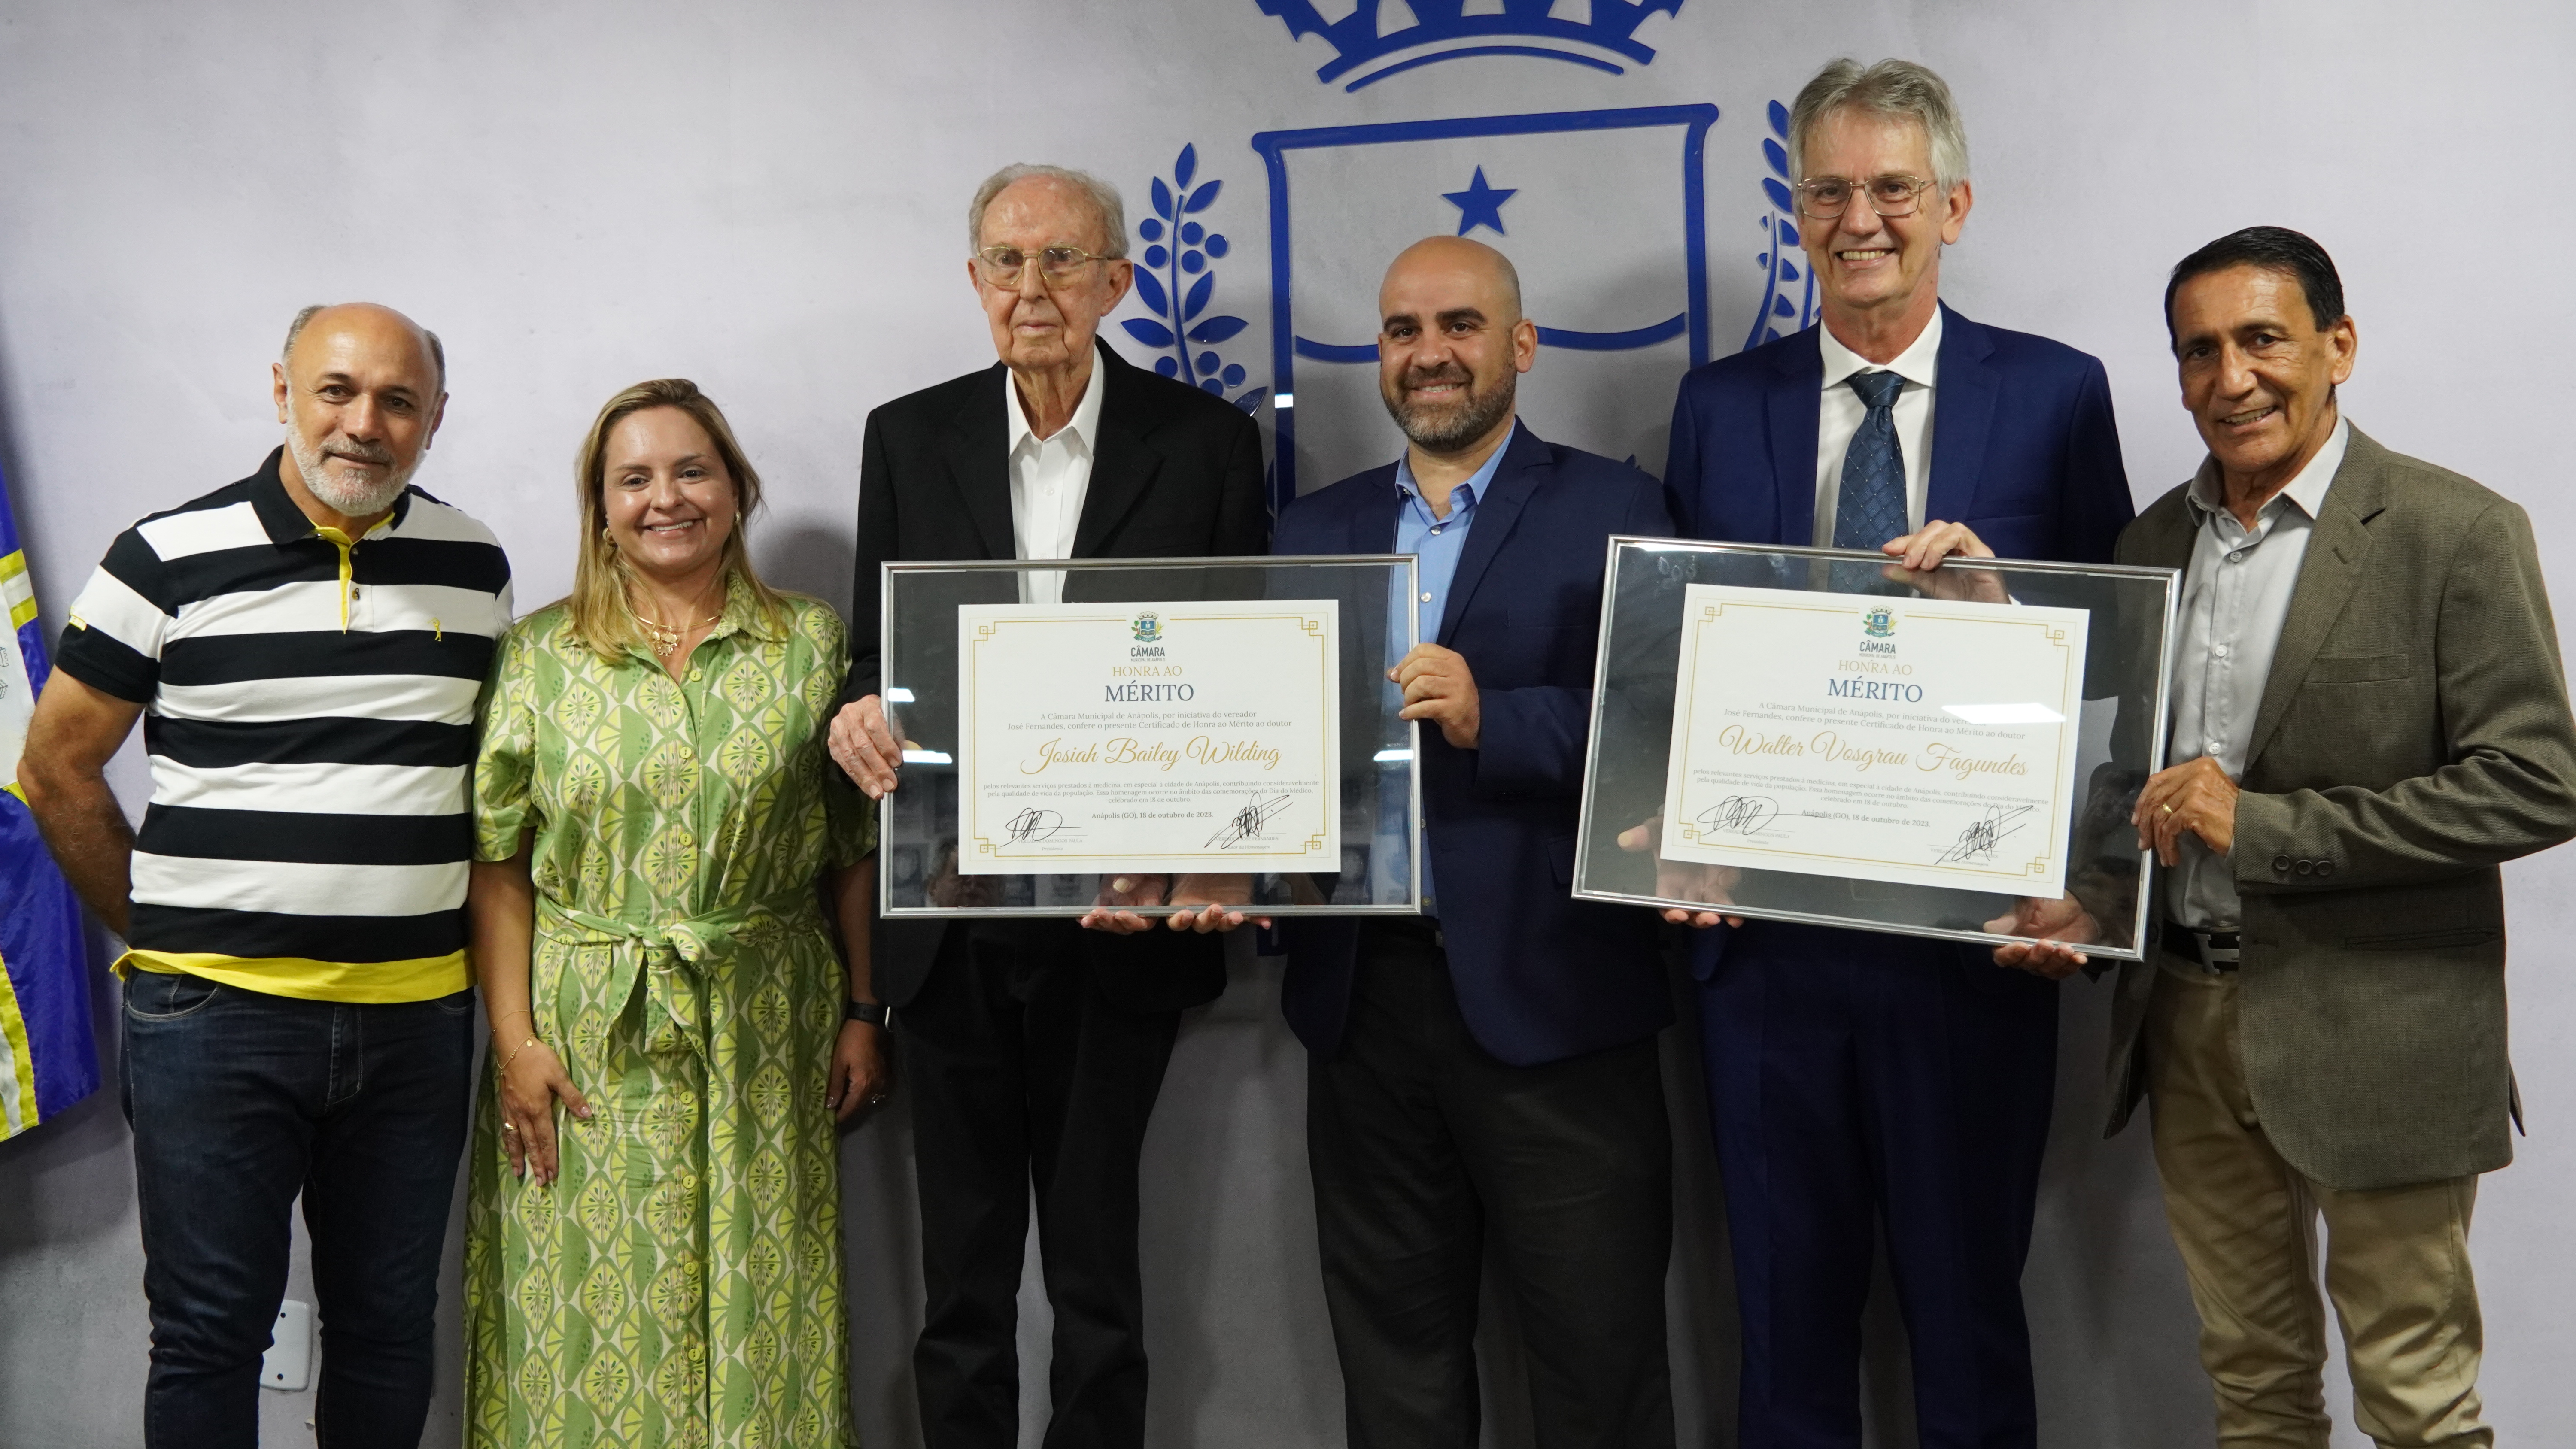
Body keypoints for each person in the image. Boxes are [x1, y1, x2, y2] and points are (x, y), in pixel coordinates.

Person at [2000, 227, 2576, 1448]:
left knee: (2417, 1402)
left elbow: (2540, 783)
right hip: (2189, 1025)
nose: (2232, 376)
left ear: (2339, 347)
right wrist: (2093, 907)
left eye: (2263, 338)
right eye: (2199, 351)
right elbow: (2125, 792)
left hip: (2386, 1031)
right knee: (2255, 1392)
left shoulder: (2452, 530)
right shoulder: (2149, 546)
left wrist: (2260, 829)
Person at [1653, 58, 2134, 1447]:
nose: (1859, 217)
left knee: (1968, 1318)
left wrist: (2005, 613)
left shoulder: (2053, 394)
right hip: (1767, 944)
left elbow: (2113, 661)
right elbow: (1679, 658)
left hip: (1972, 939)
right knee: (1783, 1328)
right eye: (1829, 188)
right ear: (1795, 209)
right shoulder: (1715, 403)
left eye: (1892, 188)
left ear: (1954, 206)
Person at [824, 163, 1267, 1449]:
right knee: (959, 1286)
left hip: (1119, 926)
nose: (1034, 289)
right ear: (975, 284)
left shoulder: (1208, 445)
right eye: (1008, 263)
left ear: (1117, 281)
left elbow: (1245, 679)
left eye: (1064, 261)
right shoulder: (907, 438)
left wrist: (1202, 852)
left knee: (1098, 1283)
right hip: (952, 924)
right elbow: (873, 656)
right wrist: (854, 715)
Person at [18, 303, 511, 1448]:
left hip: (413, 1025)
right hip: (211, 1026)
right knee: (208, 1332)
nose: (364, 424)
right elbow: (55, 769)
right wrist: (166, 929)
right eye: (337, 390)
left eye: (398, 400)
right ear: (282, 392)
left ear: (435, 420)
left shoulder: (473, 563)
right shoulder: (166, 556)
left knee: (390, 1328)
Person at [1274, 236, 1678, 1447]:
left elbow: (1663, 732)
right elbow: (1263, 752)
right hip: (1363, 1010)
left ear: (1522, 346)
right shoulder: (1308, 530)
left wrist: (1493, 715)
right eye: (1403, 331)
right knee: (1396, 1373)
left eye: (1459, 326)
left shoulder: (1617, 503)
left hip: (1559, 1007)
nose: (1430, 354)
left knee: (1596, 1364)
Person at [459, 379, 878, 1448]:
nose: (665, 498)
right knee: (584, 1309)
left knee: (761, 1297)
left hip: (767, 1026)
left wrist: (865, 1009)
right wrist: (515, 1044)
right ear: (599, 507)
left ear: (737, 489)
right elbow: (498, 862)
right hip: (583, 1033)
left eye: (692, 470)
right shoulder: (540, 658)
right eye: (632, 478)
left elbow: (850, 849)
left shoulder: (812, 647)